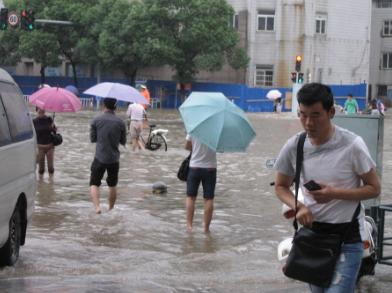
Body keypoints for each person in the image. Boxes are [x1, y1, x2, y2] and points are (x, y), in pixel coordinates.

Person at [274, 83, 381, 292]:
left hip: (348, 238)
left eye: (315, 115)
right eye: (302, 115)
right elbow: (280, 186)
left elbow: (374, 188)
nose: (308, 123)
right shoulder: (294, 145)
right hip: (314, 238)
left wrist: (334, 193)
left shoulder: (352, 145)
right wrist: (299, 207)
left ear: (331, 112)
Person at [89, 97, 126, 214]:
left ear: (104, 105)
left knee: (94, 183)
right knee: (112, 184)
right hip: (114, 159)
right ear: (115, 107)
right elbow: (123, 141)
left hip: (99, 157)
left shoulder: (96, 120)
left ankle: (97, 208)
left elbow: (93, 139)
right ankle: (110, 209)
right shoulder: (120, 122)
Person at [185, 135, 217, 233]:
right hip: (210, 168)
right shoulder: (216, 132)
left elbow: (187, 146)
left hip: (194, 167)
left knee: (191, 197)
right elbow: (219, 149)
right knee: (209, 198)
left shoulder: (194, 129)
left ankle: (189, 227)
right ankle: (206, 229)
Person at [33, 107, 57, 176]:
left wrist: (54, 128)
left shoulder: (49, 119)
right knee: (41, 170)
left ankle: (51, 182)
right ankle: (40, 183)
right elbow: (32, 134)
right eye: (39, 110)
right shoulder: (34, 121)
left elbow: (54, 132)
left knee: (51, 168)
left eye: (43, 110)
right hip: (40, 147)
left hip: (50, 146)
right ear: (37, 111)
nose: (41, 111)